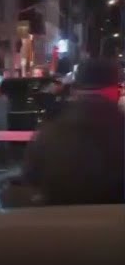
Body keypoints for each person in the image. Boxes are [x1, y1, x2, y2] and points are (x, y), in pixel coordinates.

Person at [22, 58, 124, 206]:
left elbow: (31, 176)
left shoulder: (50, 130)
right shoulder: (119, 128)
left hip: (61, 222)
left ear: (76, 90)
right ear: (114, 89)